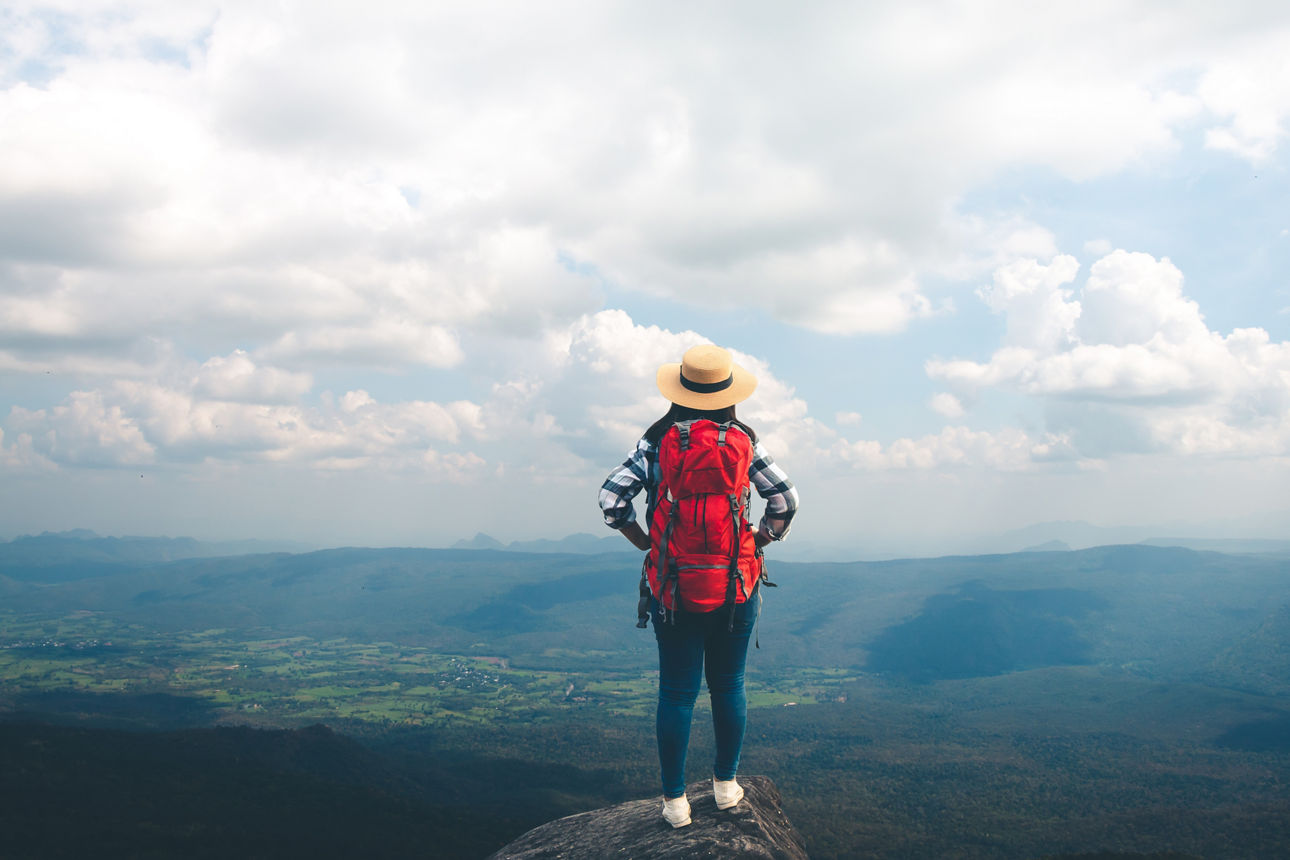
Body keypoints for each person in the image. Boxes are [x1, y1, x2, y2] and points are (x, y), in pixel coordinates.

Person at [598, 344, 799, 829]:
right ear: (728, 392)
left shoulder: (655, 442)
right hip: (735, 584)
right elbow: (786, 502)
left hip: (673, 584)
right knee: (729, 685)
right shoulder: (745, 441)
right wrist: (757, 540)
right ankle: (727, 789)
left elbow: (611, 500)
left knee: (676, 694)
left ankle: (674, 804)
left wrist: (647, 542)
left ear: (680, 389)